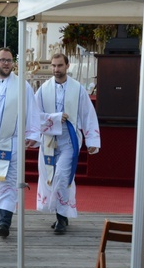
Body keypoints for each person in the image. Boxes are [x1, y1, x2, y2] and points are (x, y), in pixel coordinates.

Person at [0, 48, 40, 238]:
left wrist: (33, 133)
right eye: (2, 60)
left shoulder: (22, 86)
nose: (6, 63)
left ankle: (5, 220)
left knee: (9, 181)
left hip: (10, 143)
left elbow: (31, 110)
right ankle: (0, 214)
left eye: (9, 60)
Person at [36, 53, 100, 235]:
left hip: (69, 139)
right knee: (50, 177)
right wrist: (53, 118)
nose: (56, 69)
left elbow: (87, 114)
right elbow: (33, 114)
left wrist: (92, 139)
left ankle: (62, 218)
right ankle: (59, 213)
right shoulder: (43, 89)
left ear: (67, 66)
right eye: (53, 66)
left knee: (63, 176)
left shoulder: (77, 88)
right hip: (49, 139)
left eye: (59, 65)